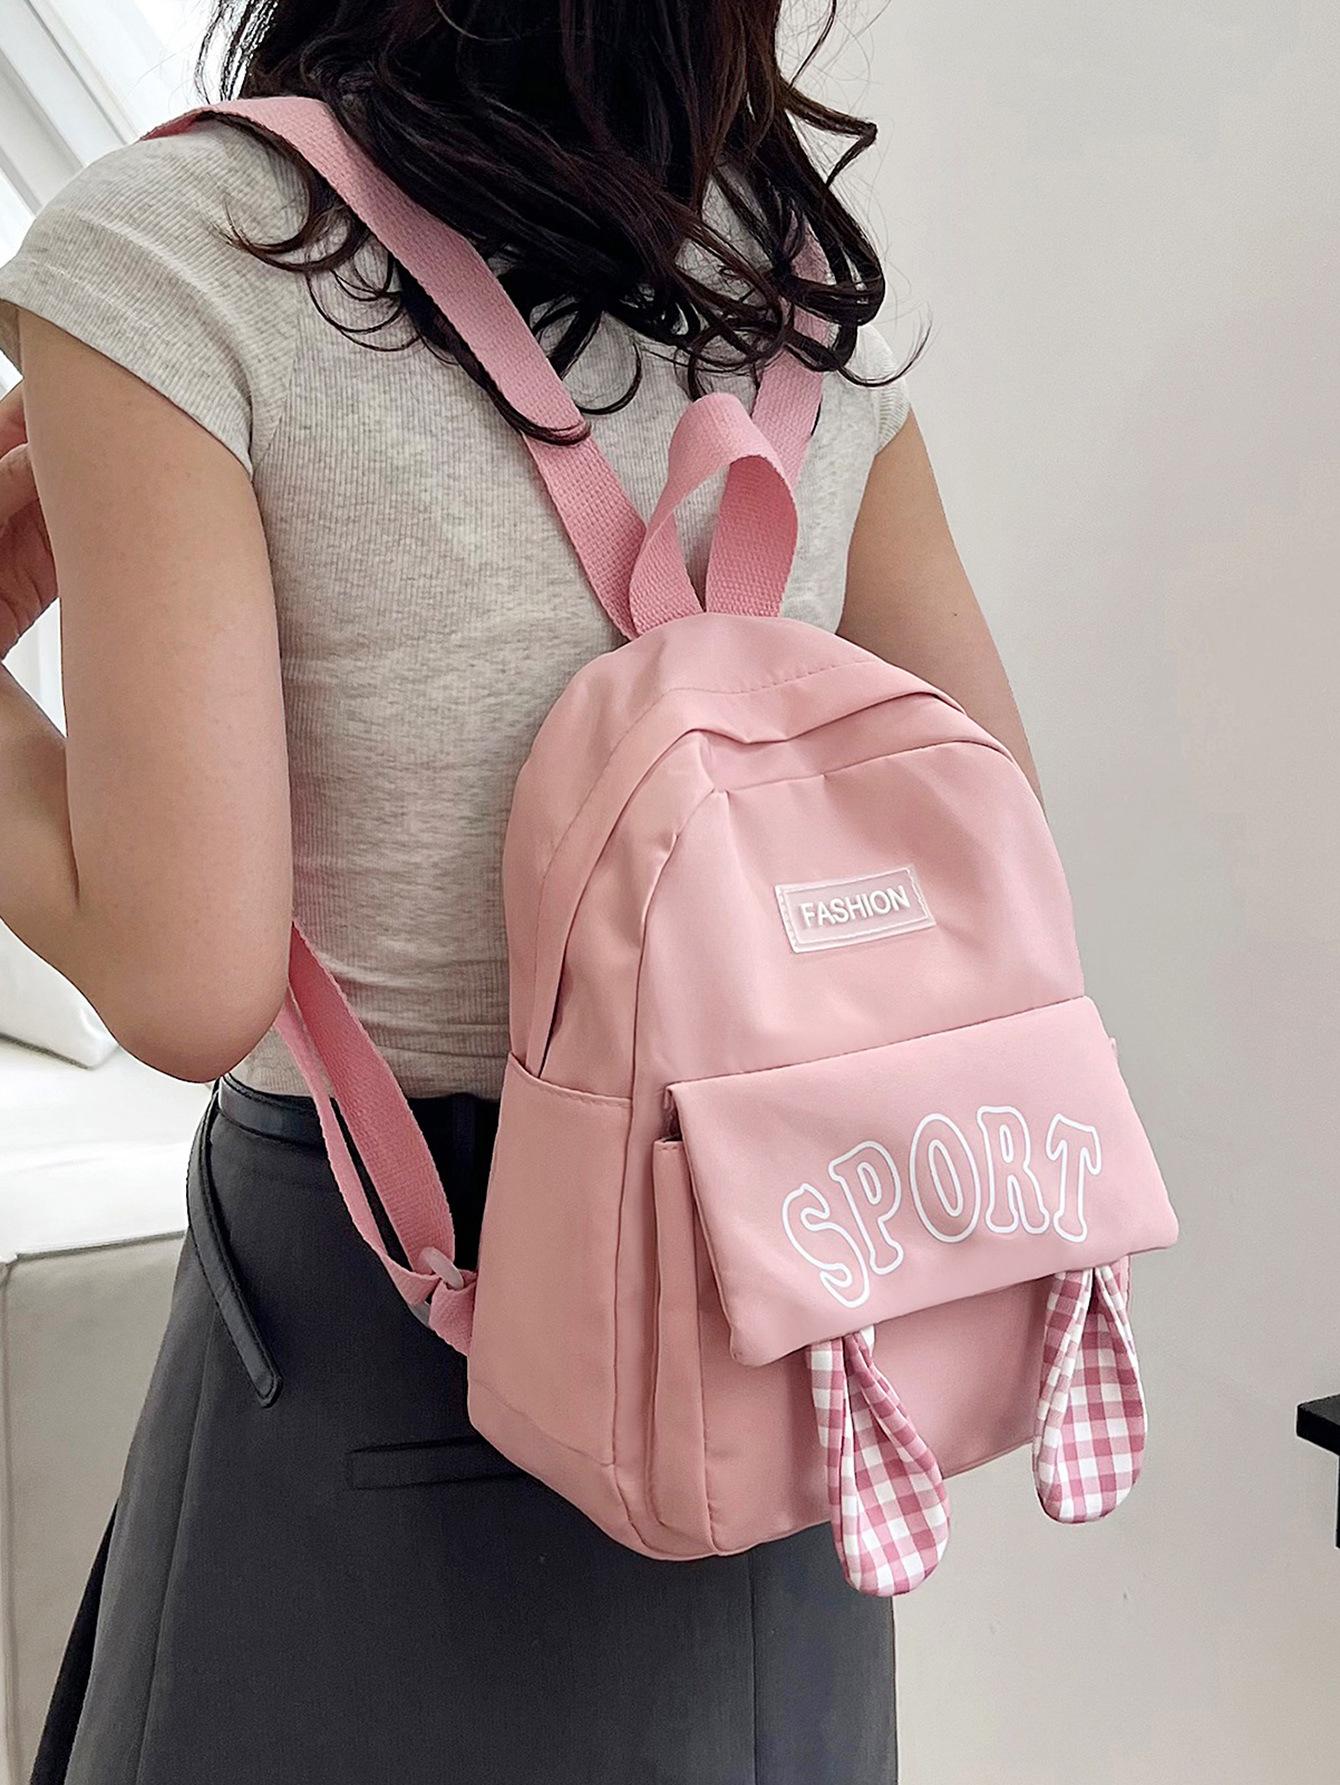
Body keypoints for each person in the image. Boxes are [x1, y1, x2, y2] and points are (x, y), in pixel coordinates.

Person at [0, 3, 1042, 1780]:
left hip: (384, 1347)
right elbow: (987, 820)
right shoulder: (785, 279)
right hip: (787, 1349)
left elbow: (188, 978)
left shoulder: (182, 250)